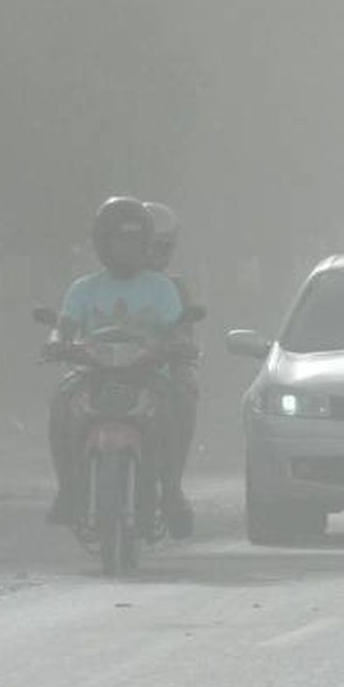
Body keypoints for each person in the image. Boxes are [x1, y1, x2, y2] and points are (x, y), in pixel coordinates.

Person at [46, 197, 188, 533]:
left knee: (180, 405)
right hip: (92, 373)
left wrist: (179, 344)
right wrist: (56, 341)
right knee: (60, 404)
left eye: (136, 242)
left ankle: (171, 491)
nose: (128, 249)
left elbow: (176, 327)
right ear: (102, 244)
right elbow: (64, 325)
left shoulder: (162, 287)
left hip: (148, 374)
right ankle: (68, 489)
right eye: (119, 241)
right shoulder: (83, 289)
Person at [143, 201, 199, 539]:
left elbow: (186, 332)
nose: (152, 254)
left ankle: (172, 486)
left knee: (186, 392)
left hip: (160, 370)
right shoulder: (95, 285)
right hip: (104, 367)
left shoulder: (174, 287)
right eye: (146, 246)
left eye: (160, 247)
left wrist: (180, 349)